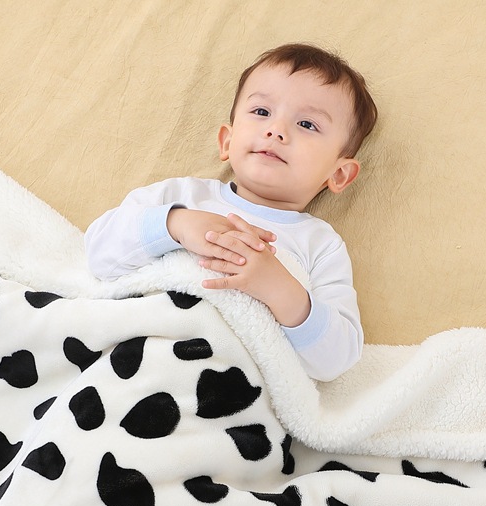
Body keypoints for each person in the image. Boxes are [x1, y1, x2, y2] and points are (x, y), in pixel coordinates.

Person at [84, 43, 377, 381]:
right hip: (132, 359)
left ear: (339, 174)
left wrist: (279, 288)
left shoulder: (320, 244)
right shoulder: (179, 196)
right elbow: (98, 254)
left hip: (223, 386)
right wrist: (176, 225)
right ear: (227, 140)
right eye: (262, 112)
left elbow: (337, 359)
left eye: (307, 124)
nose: (276, 131)